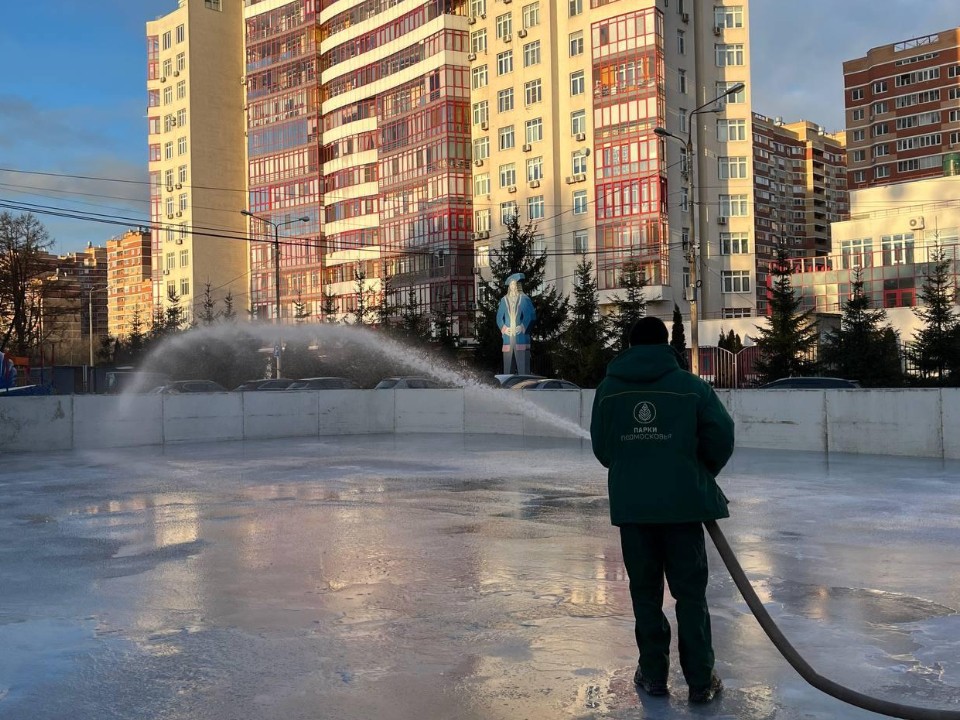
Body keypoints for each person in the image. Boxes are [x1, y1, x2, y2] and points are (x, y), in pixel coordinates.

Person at [590, 316, 734, 704]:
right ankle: (700, 680)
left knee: (645, 594)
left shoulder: (608, 390)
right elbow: (721, 436)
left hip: (634, 509)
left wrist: (633, 466)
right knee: (691, 595)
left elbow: (603, 448)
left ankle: (654, 675)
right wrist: (696, 470)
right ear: (666, 344)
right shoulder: (692, 387)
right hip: (683, 508)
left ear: (630, 346)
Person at [496, 273, 536, 375]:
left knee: (523, 370)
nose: (513, 287)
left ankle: (524, 384)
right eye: (511, 285)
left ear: (518, 286)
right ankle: (507, 384)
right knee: (507, 370)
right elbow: (499, 317)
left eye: (514, 284)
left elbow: (531, 315)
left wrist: (522, 327)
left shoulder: (524, 299)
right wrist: (504, 329)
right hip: (508, 339)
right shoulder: (504, 300)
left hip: (521, 338)